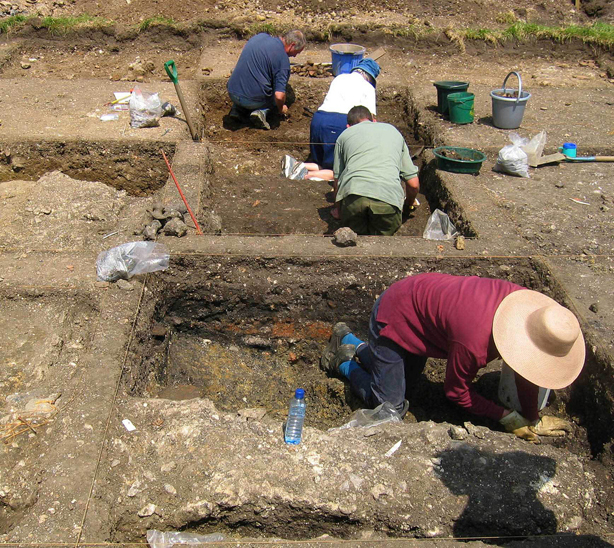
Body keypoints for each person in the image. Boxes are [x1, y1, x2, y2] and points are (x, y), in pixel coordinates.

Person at [321, 273, 586, 443]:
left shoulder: (525, 309)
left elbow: (525, 369)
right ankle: (342, 362)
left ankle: (350, 341)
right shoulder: (475, 343)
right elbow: (456, 391)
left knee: (405, 383)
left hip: (418, 310)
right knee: (391, 406)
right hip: (395, 317)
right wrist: (505, 416)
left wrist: (532, 416)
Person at [332, 105, 420, 234]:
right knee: (380, 245)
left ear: (348, 126)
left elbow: (338, 180)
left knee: (355, 241)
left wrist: (339, 210)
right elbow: (413, 184)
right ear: (374, 120)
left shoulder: (344, 136)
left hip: (354, 198)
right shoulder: (393, 131)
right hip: (387, 200)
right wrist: (407, 205)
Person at [303, 58, 381, 182]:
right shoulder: (368, 87)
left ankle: (301, 166)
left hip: (319, 119)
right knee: (340, 171)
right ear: (370, 78)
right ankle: (305, 175)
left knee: (320, 162)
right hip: (340, 123)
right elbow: (370, 119)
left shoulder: (339, 78)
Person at [227, 30, 306, 130]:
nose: (295, 56)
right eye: (297, 52)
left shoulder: (259, 37)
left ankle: (237, 109)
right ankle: (260, 112)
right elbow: (279, 95)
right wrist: (281, 108)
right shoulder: (283, 61)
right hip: (252, 101)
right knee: (274, 96)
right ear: (292, 45)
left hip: (232, 91)